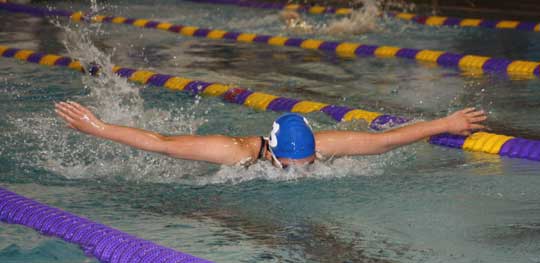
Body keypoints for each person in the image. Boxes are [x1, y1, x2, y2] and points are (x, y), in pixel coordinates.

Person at [54, 101, 487, 169]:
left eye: (310, 165)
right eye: (292, 168)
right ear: (273, 157)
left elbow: (388, 140)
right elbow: (161, 143)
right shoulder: (233, 153)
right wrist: (99, 128)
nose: (301, 173)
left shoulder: (327, 144)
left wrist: (445, 124)